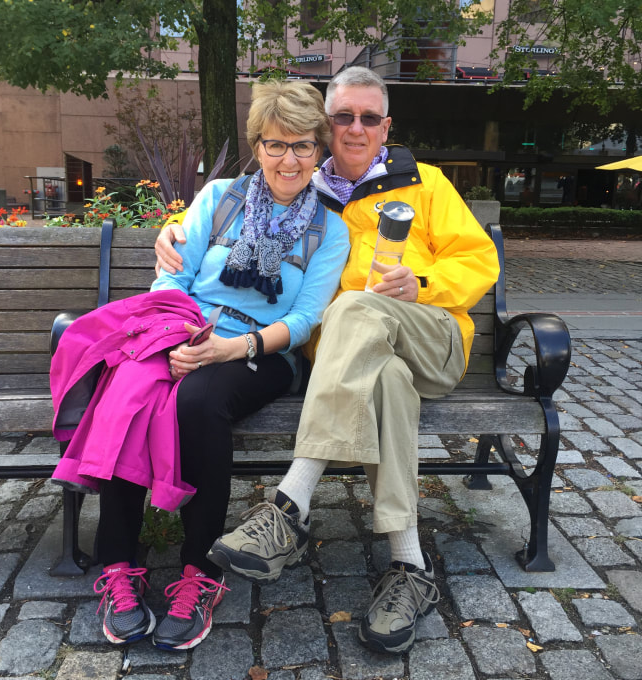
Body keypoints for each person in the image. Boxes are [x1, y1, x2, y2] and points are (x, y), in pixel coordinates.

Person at [155, 66, 500, 655]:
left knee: (357, 309)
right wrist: (174, 230)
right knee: (378, 366)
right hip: (362, 363)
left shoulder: (426, 184)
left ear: (386, 125)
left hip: (432, 336)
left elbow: (478, 258)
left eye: (370, 117)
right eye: (344, 116)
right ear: (325, 127)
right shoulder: (306, 190)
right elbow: (238, 213)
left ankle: (291, 501)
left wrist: (422, 281)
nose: (357, 127)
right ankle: (409, 567)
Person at [50, 80, 350, 650]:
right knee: (131, 392)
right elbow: (172, 276)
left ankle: (200, 572)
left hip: (264, 352)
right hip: (180, 329)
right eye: (276, 145)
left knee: (200, 400)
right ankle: (116, 566)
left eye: (303, 147)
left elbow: (307, 319)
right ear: (257, 146)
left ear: (319, 152)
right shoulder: (218, 198)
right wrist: (182, 335)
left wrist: (229, 348)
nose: (288, 160)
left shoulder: (329, 231)